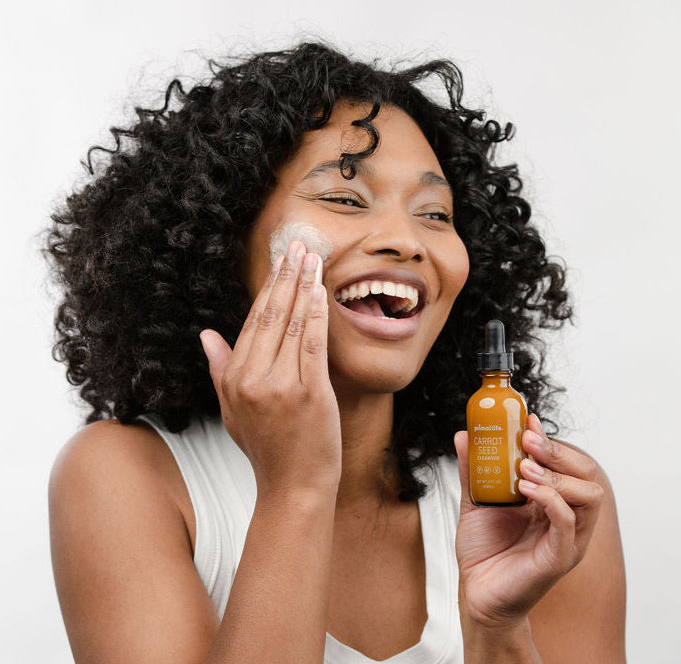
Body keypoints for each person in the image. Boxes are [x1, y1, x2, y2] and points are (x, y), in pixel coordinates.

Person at [46, 41, 626, 664]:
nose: (406, 241)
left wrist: (497, 629)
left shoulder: (540, 505)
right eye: (345, 200)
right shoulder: (126, 477)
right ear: (219, 237)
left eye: (435, 214)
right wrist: (295, 492)